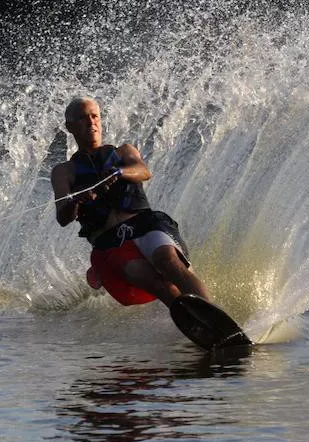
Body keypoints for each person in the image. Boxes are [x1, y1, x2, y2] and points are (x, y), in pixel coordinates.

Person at [51, 96, 211, 307]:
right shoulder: (64, 172)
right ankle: (195, 320)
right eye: (83, 118)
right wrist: (77, 201)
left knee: (169, 262)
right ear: (69, 127)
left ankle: (212, 310)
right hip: (110, 241)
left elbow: (143, 171)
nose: (91, 122)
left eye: (94, 116)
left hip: (146, 224)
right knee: (154, 281)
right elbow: (63, 216)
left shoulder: (124, 152)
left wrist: (118, 172)